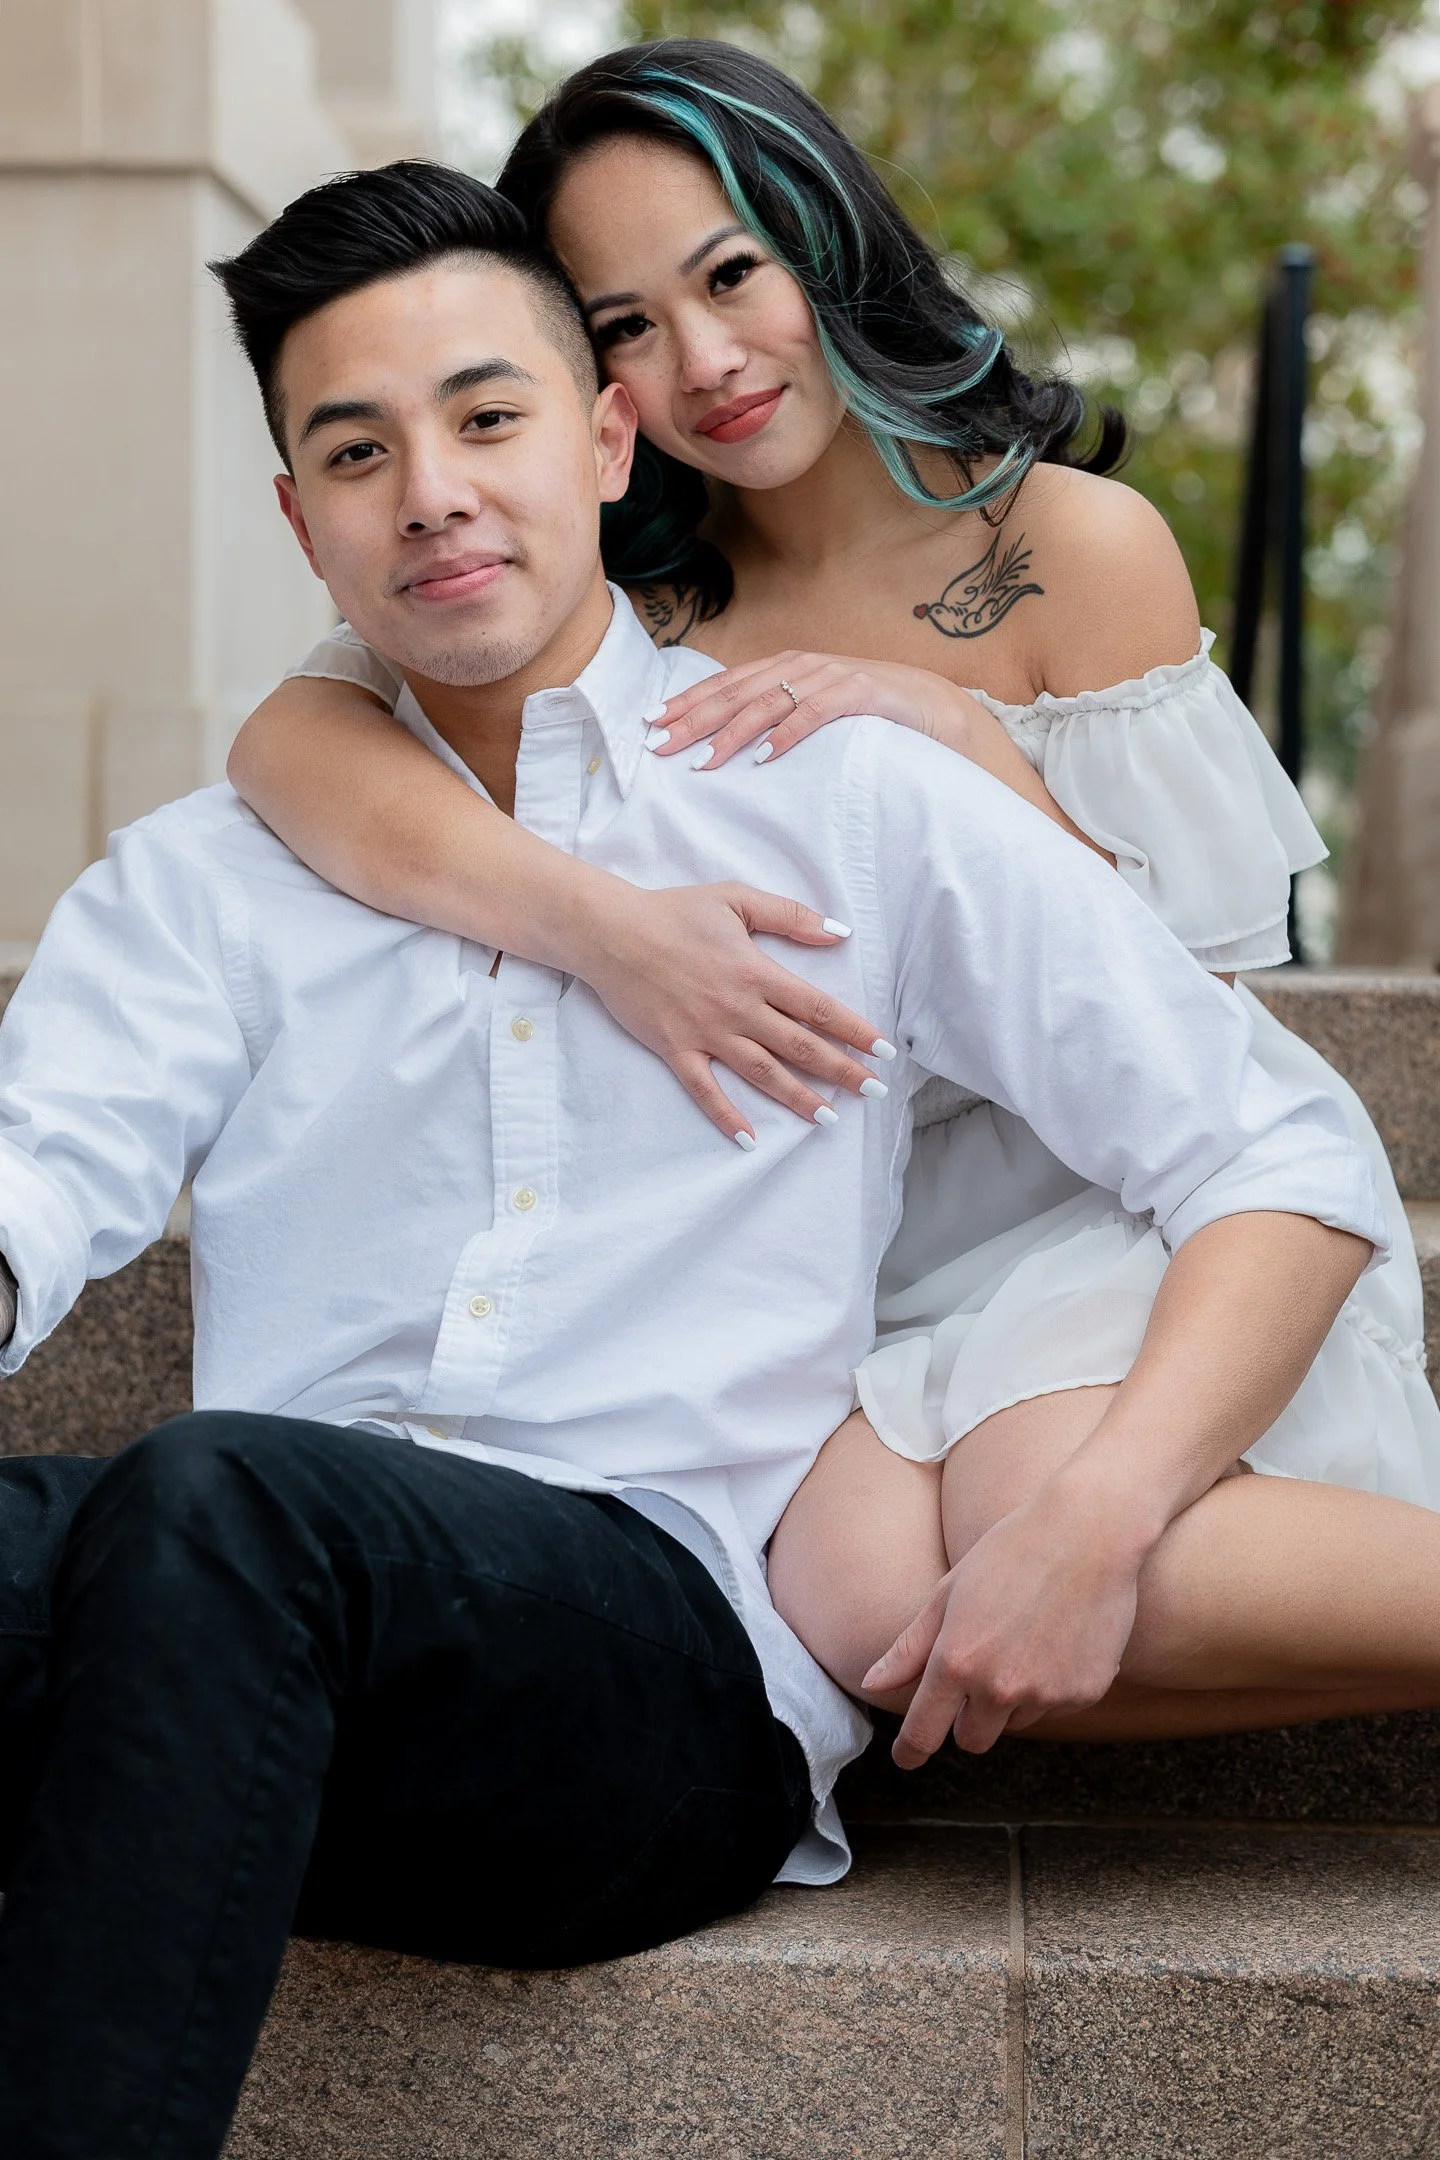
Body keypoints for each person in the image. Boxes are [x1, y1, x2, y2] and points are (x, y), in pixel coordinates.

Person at [0, 160, 1432, 2155]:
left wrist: (1101, 1512)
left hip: (654, 1668)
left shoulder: (838, 799)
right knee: (160, 1537)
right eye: (359, 451)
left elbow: (1284, 1154)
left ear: (600, 439)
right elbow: (35, 1165)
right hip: (252, 1632)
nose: (431, 490)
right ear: (300, 520)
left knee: (224, 1509)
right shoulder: (204, 884)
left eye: (486, 419)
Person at [224, 42, 1440, 1710]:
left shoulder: (1062, 551)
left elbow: (1197, 1022)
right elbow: (289, 749)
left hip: (1113, 1205)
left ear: (825, 243)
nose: (706, 360)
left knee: (1044, 1520)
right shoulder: (632, 596)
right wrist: (613, 933)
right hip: (847, 1240)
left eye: (733, 274)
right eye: (626, 324)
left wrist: (963, 741)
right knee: (859, 1614)